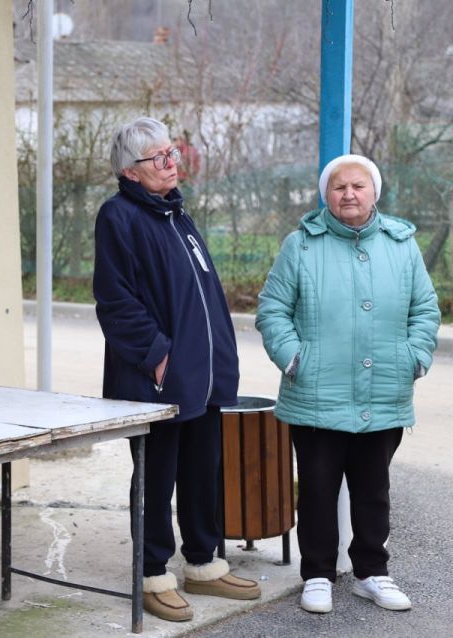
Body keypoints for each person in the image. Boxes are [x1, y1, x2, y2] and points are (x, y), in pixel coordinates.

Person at [92, 116, 262, 623]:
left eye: (173, 152)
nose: (172, 163)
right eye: (159, 157)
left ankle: (204, 563)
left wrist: (217, 358)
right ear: (130, 171)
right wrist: (158, 356)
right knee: (155, 478)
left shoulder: (177, 215)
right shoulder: (118, 216)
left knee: (201, 472)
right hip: (157, 381)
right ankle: (152, 574)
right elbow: (115, 300)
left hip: (201, 378)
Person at [256, 154, 440, 615]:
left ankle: (371, 574)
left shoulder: (401, 245)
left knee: (373, 489)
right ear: (326, 195)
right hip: (317, 392)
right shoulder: (300, 245)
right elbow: (272, 309)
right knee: (317, 488)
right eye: (339, 188)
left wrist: (413, 359)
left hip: (385, 389)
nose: (349, 194)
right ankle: (317, 574)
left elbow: (425, 310)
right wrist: (295, 358)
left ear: (375, 191)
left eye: (359, 186)